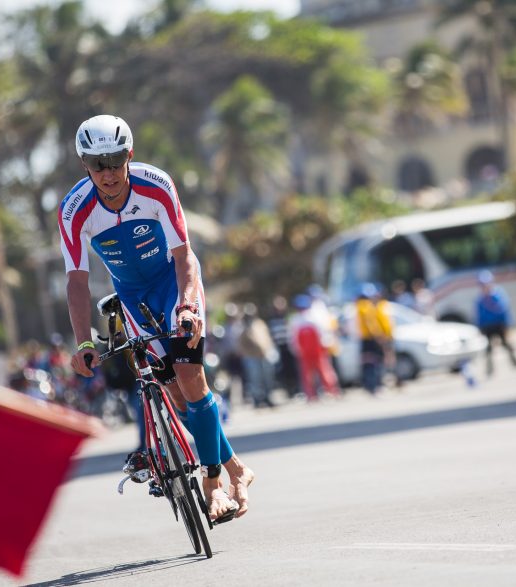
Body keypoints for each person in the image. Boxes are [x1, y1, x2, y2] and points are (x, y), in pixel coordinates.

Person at [58, 114, 253, 522]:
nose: (108, 173)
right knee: (176, 396)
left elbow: (184, 256)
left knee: (190, 376)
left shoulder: (156, 186)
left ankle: (213, 484)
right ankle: (238, 468)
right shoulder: (75, 210)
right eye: (98, 164)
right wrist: (84, 341)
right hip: (131, 296)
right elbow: (76, 281)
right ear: (84, 165)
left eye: (115, 161)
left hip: (173, 282)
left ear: (130, 155)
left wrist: (186, 305)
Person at [288, 294, 342, 402]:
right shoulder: (310, 318)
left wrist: (296, 349)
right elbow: (322, 334)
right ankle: (328, 391)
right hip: (313, 350)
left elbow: (292, 339)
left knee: (314, 373)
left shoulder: (296, 320)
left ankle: (315, 394)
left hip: (311, 350)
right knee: (319, 371)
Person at [474, 270, 516, 376]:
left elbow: (504, 311)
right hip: (487, 327)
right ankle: (490, 368)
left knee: (506, 344)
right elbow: (479, 315)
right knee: (488, 348)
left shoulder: (498, 296)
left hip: (499, 324)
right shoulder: (480, 299)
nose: (484, 287)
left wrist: (507, 326)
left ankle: (514, 360)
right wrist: (480, 327)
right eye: (482, 285)